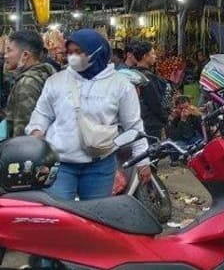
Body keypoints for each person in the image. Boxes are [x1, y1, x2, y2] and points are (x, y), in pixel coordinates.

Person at [25, 29, 151, 200]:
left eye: (79, 52)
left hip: (100, 166)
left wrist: (142, 161)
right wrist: (36, 131)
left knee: (95, 217)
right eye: (70, 52)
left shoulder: (120, 85)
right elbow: (42, 113)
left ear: (97, 51)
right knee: (62, 216)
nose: (73, 57)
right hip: (60, 164)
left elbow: (134, 126)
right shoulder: (56, 81)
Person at [4, 31, 57, 138]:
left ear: (25, 55)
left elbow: (23, 129)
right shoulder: (47, 74)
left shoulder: (27, 83)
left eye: (9, 50)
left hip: (28, 149)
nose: (5, 56)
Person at [130, 41, 168, 142]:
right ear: (145, 56)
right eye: (153, 54)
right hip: (150, 124)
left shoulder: (131, 73)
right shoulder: (147, 78)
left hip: (135, 120)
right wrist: (166, 117)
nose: (155, 56)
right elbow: (155, 103)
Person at [165, 95, 203, 163]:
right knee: (170, 143)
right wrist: (182, 121)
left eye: (186, 107)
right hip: (180, 140)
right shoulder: (173, 118)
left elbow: (202, 131)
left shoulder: (195, 115)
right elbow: (174, 137)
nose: (184, 110)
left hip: (193, 139)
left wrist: (197, 116)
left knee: (201, 142)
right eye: (181, 108)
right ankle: (175, 160)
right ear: (176, 108)